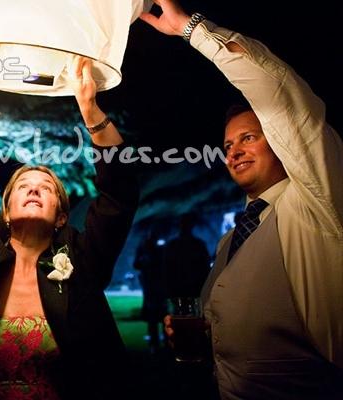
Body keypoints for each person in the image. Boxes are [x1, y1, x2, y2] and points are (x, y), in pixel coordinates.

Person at [140, 0, 343, 398]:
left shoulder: (319, 206)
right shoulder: (232, 240)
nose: (233, 152)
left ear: (284, 143)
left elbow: (283, 99)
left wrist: (191, 29)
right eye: (228, 144)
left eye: (249, 138)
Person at [0, 55, 139, 399]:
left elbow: (120, 195)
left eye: (45, 188)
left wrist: (90, 109)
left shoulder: (84, 259)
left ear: (61, 216)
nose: (33, 188)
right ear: (7, 212)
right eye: (23, 186)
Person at [133, 229, 166, 353]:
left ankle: (163, 340)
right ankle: (154, 342)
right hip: (150, 285)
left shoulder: (160, 249)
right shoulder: (143, 248)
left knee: (161, 313)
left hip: (158, 285)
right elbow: (136, 264)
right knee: (153, 314)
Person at [163, 212, 210, 298]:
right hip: (185, 286)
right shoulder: (198, 244)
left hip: (187, 286)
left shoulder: (173, 245)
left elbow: (205, 266)